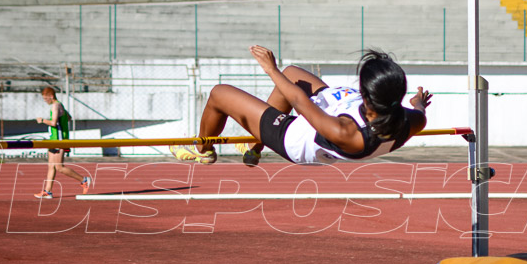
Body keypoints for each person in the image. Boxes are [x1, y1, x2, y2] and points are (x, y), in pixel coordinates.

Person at [170, 46, 431, 166]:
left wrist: (270, 69)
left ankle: (202, 149)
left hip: (294, 138)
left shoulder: (347, 132)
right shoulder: (409, 120)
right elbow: (419, 111)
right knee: (293, 71)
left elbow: (298, 100)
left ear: (365, 94)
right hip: (335, 104)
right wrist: (417, 101)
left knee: (219, 94)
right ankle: (253, 147)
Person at [34, 86, 90, 199]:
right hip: (53, 139)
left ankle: (84, 180)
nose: (45, 101)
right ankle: (47, 191)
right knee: (51, 167)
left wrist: (42, 120)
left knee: (59, 167)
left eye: (45, 98)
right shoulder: (60, 105)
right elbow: (68, 117)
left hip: (59, 140)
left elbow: (54, 123)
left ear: (51, 96)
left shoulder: (55, 106)